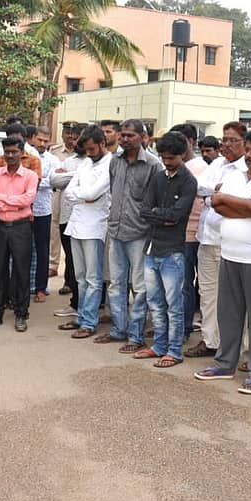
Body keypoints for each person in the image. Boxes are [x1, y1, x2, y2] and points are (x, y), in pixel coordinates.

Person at [195, 129, 251, 391]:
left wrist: (228, 200)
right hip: (230, 255)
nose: (249, 156)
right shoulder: (234, 175)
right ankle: (224, 364)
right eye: (248, 150)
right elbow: (217, 205)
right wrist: (249, 211)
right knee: (229, 314)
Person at [133, 131, 197, 368]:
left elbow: (177, 215)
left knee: (174, 305)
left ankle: (174, 350)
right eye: (163, 157)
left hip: (173, 251)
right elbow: (144, 210)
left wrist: (159, 214)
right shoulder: (158, 177)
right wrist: (162, 215)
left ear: (182, 155)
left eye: (170, 158)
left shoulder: (189, 181)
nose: (166, 161)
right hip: (152, 248)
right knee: (155, 303)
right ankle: (159, 346)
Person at [186, 122, 248, 358]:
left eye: (233, 140)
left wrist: (214, 195)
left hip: (229, 242)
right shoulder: (217, 164)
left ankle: (235, 346)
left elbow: (233, 198)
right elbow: (198, 186)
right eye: (225, 139)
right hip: (206, 238)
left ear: (244, 143)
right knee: (208, 294)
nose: (227, 145)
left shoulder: (245, 168)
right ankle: (210, 340)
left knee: (232, 297)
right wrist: (217, 192)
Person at [99, 119, 161, 350]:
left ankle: (136, 336)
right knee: (115, 284)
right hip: (115, 230)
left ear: (142, 137)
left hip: (139, 233)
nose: (125, 139)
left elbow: (156, 200)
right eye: (122, 135)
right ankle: (118, 330)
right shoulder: (114, 162)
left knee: (140, 287)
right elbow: (115, 192)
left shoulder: (153, 165)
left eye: (130, 135)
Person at [0, 136, 38, 332]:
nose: (11, 155)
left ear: (22, 152)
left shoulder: (30, 176)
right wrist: (14, 201)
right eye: (7, 152)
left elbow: (28, 199)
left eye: (14, 152)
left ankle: (21, 313)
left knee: (21, 270)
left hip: (21, 227)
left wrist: (3, 198)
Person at [62, 124, 112, 339]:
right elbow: (69, 193)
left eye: (92, 149)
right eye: (87, 150)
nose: (89, 153)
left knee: (93, 278)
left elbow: (93, 193)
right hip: (76, 224)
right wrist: (85, 196)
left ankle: (89, 321)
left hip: (96, 226)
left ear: (102, 144)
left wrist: (82, 194)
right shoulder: (84, 164)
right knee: (80, 276)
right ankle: (82, 316)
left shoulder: (112, 164)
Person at [170, 124, 208, 338]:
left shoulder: (199, 167)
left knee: (185, 284)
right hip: (179, 233)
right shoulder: (176, 166)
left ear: (191, 142)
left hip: (192, 233)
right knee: (178, 283)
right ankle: (177, 326)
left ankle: (183, 328)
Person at [51, 127, 86, 321]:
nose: (76, 141)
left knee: (84, 266)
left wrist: (70, 176)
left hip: (86, 221)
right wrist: (76, 176)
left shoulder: (94, 163)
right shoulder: (68, 161)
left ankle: (84, 304)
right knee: (72, 261)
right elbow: (54, 179)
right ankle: (75, 301)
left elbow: (89, 185)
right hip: (67, 218)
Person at [50, 122, 80, 292]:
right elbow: (53, 178)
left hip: (79, 203)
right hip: (58, 197)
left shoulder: (86, 156)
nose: (70, 137)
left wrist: (67, 175)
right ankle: (53, 264)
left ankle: (70, 282)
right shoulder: (55, 151)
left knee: (75, 249)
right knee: (56, 232)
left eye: (74, 134)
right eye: (67, 133)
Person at [30, 126, 59, 302]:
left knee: (42, 250)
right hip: (24, 209)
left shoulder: (53, 160)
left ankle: (41, 287)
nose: (42, 143)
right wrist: (41, 180)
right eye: (39, 139)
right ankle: (23, 285)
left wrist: (38, 180)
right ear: (33, 138)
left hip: (43, 209)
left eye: (45, 140)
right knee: (23, 249)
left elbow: (54, 181)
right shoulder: (26, 155)